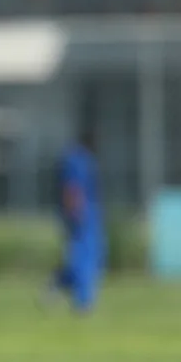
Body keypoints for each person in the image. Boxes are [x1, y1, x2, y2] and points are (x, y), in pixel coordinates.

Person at [47, 128, 105, 314]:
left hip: (88, 212)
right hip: (81, 214)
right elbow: (72, 188)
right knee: (83, 258)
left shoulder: (83, 158)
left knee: (92, 257)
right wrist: (75, 212)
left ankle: (57, 285)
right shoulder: (76, 160)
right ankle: (83, 301)